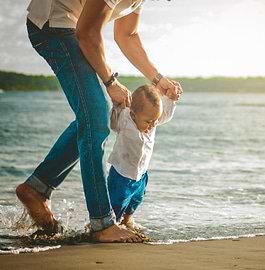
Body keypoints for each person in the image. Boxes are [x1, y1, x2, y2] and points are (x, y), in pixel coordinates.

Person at [16, 0, 182, 243]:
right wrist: (110, 82)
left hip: (70, 26)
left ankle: (37, 188)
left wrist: (157, 80)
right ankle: (102, 223)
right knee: (96, 117)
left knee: (95, 118)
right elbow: (87, 33)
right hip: (53, 25)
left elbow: (128, 34)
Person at [107, 84, 178, 234]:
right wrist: (117, 105)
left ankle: (128, 220)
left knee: (136, 199)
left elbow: (165, 114)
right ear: (133, 114)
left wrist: (170, 99)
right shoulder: (124, 118)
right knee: (116, 205)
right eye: (148, 121)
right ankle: (112, 226)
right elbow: (112, 123)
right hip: (121, 175)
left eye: (155, 121)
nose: (152, 125)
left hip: (141, 174)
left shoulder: (152, 119)